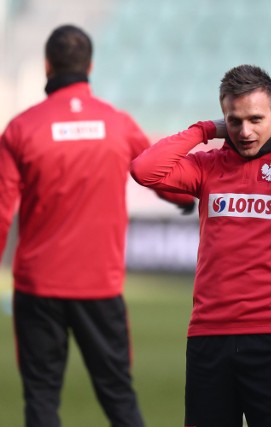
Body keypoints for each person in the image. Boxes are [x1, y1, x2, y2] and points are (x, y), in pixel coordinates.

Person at [130, 64, 271, 427]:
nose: (245, 131)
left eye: (256, 119)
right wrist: (203, 130)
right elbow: (144, 169)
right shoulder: (208, 166)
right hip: (208, 333)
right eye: (234, 120)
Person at [0, 25, 195, 427]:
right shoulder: (117, 123)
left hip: (38, 286)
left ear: (47, 66)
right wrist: (183, 199)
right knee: (118, 394)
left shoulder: (20, 129)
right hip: (99, 286)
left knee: (40, 397)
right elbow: (157, 173)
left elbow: (3, 209)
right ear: (89, 65)